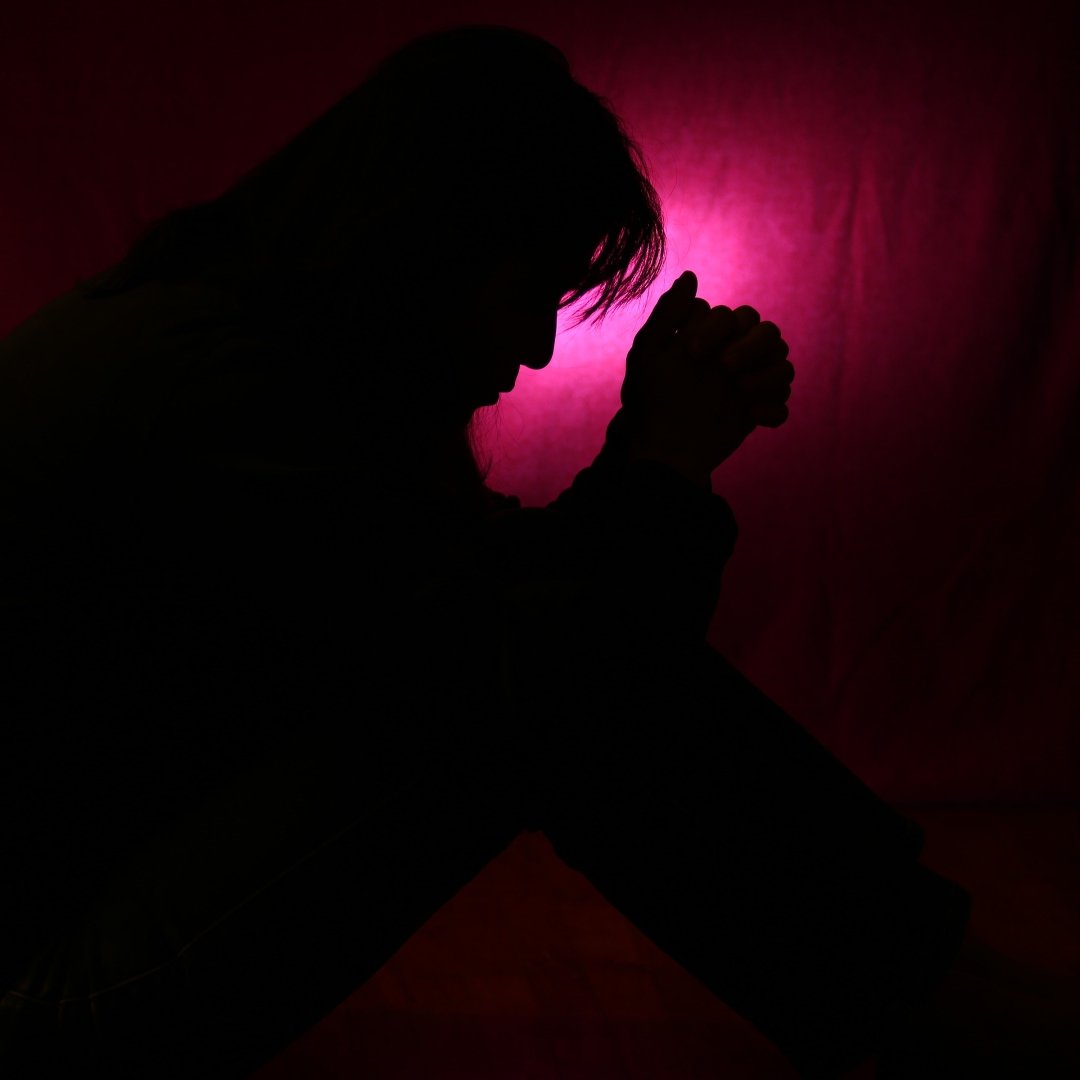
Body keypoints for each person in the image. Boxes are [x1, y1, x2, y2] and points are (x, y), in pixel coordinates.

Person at [0, 23, 1074, 1080]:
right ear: (422, 249)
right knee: (533, 690)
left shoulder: (235, 338)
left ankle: (941, 988)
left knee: (536, 665)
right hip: (41, 999)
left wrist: (645, 462)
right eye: (528, 291)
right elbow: (534, 662)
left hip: (90, 902)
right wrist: (660, 462)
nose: (539, 348)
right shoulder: (223, 390)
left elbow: (475, 602)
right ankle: (945, 999)